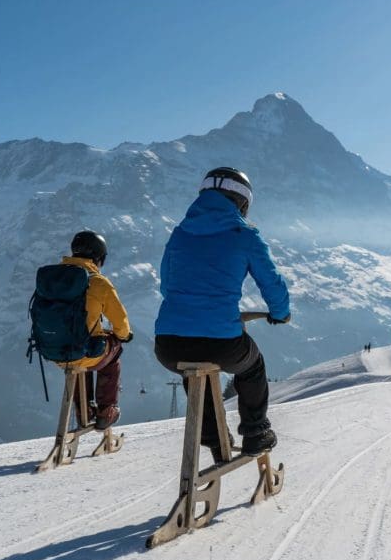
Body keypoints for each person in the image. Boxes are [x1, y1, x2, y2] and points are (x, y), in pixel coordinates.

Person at [154, 167, 291, 458]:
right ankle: (256, 432)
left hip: (168, 344)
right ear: (242, 202)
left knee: (191, 364)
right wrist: (280, 312)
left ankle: (211, 435)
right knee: (253, 366)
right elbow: (272, 282)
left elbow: (166, 284)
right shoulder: (244, 234)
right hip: (221, 342)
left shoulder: (179, 234)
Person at [58, 230, 133, 429]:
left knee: (83, 350)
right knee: (113, 347)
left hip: (55, 352)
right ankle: (105, 410)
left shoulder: (54, 277)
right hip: (83, 354)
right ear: (100, 258)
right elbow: (120, 323)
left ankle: (82, 409)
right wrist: (124, 336)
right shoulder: (98, 282)